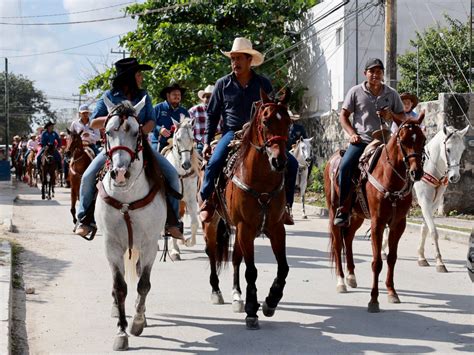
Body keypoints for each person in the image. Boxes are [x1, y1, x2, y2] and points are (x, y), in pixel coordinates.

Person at [74, 57, 183, 239]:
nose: (141, 78)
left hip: (141, 146)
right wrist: (114, 116)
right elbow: (93, 122)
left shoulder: (143, 96)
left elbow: (151, 122)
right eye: (138, 74)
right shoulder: (108, 96)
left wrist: (137, 129)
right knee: (87, 176)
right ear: (129, 77)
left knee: (172, 175)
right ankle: (84, 219)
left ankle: (172, 222)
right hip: (113, 148)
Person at [199, 37, 298, 225]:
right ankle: (208, 201)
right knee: (215, 162)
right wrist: (206, 142)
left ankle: (286, 207)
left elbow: (272, 111)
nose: (235, 63)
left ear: (249, 61)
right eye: (232, 59)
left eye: (239, 58)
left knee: (291, 164)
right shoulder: (222, 84)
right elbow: (212, 115)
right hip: (232, 132)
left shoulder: (263, 84)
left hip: (260, 135)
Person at [335, 58, 405, 227]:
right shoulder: (355, 91)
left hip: (385, 141)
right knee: (345, 166)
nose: (375, 75)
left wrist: (391, 116)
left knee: (408, 164)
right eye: (372, 72)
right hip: (362, 140)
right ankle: (343, 208)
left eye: (379, 72)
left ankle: (404, 203)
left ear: (383, 74)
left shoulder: (391, 94)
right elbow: (343, 116)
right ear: (365, 73)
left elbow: (403, 117)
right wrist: (352, 134)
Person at [151, 83, 189, 153]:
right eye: (174, 94)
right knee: (153, 159)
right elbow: (150, 123)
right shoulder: (158, 108)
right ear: (168, 95)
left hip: (178, 143)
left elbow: (188, 128)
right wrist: (160, 129)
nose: (177, 97)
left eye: (179, 95)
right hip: (159, 142)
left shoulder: (184, 111)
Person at [189, 84, 216, 155]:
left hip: (216, 142)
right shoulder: (194, 110)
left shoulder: (221, 111)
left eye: (212, 97)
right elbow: (188, 129)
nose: (209, 99)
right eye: (207, 97)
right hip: (199, 144)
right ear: (203, 98)